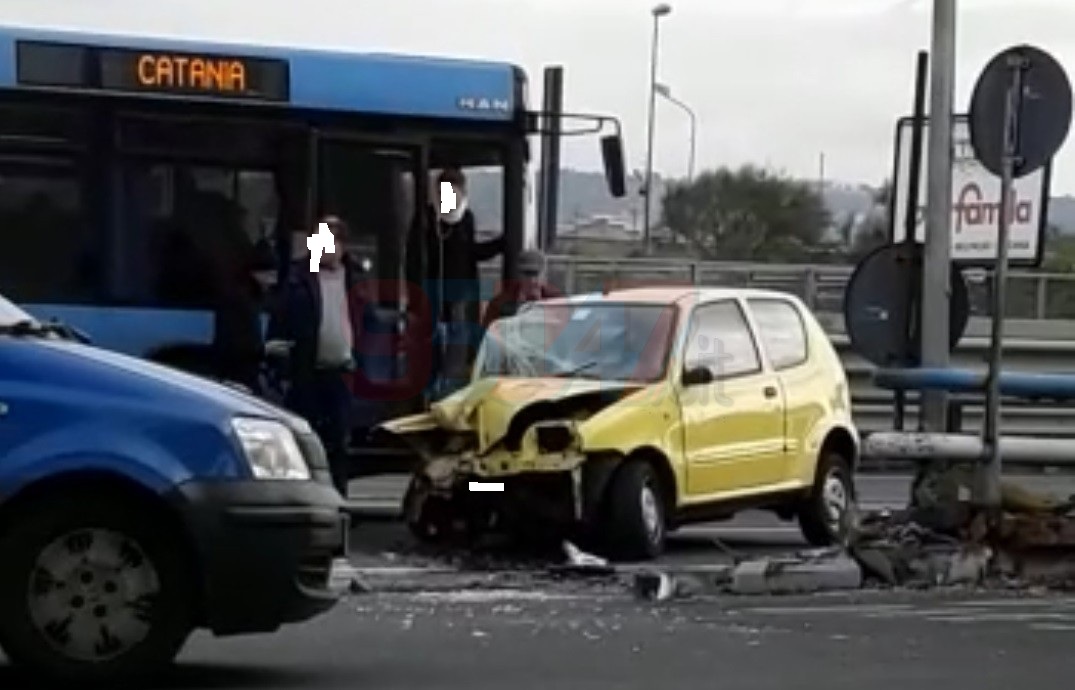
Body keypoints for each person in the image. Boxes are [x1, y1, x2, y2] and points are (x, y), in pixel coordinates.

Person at [266, 215, 362, 496]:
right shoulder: (299, 277)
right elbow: (280, 321)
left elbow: (365, 322)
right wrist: (280, 365)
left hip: (343, 370)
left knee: (340, 441)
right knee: (307, 439)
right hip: (306, 370)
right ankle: (309, 495)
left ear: (343, 246)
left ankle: (338, 497)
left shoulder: (355, 278)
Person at [405, 167, 504, 392]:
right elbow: (413, 258)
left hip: (459, 298)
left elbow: (470, 253)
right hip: (432, 296)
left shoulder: (466, 219)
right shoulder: (427, 218)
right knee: (431, 354)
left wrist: (499, 244)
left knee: (456, 354)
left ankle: (449, 393)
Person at [481, 249, 558, 329]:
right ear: (519, 275)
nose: (532, 280)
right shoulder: (499, 304)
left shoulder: (557, 302)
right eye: (527, 275)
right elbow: (487, 334)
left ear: (544, 276)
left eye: (536, 274)